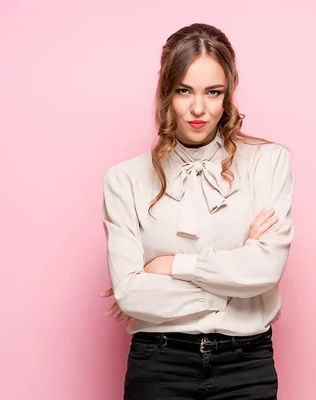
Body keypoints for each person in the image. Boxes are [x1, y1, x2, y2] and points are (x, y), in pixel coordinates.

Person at [100, 23, 294, 399]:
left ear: (228, 94)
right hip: (159, 364)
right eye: (184, 90)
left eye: (213, 92)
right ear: (166, 92)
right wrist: (234, 289)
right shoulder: (124, 179)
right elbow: (130, 293)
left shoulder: (268, 162)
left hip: (246, 364)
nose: (198, 108)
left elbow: (267, 270)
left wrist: (172, 265)